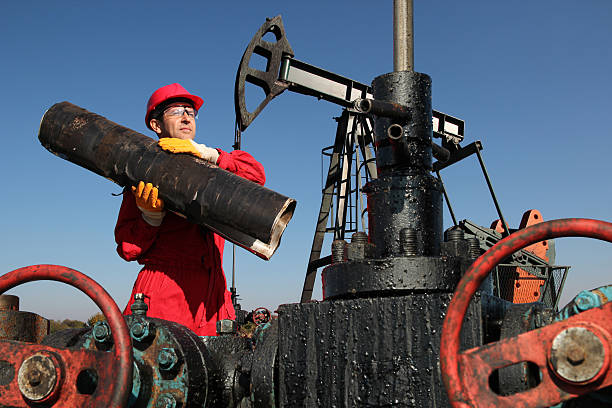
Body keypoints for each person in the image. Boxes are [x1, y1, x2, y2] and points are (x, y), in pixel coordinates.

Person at [115, 83, 265, 336]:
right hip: (166, 293)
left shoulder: (212, 165)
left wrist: (208, 154)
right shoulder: (144, 173)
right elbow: (128, 249)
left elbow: (256, 177)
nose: (186, 117)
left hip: (213, 296)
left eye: (191, 112)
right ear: (156, 125)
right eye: (176, 111)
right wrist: (150, 217)